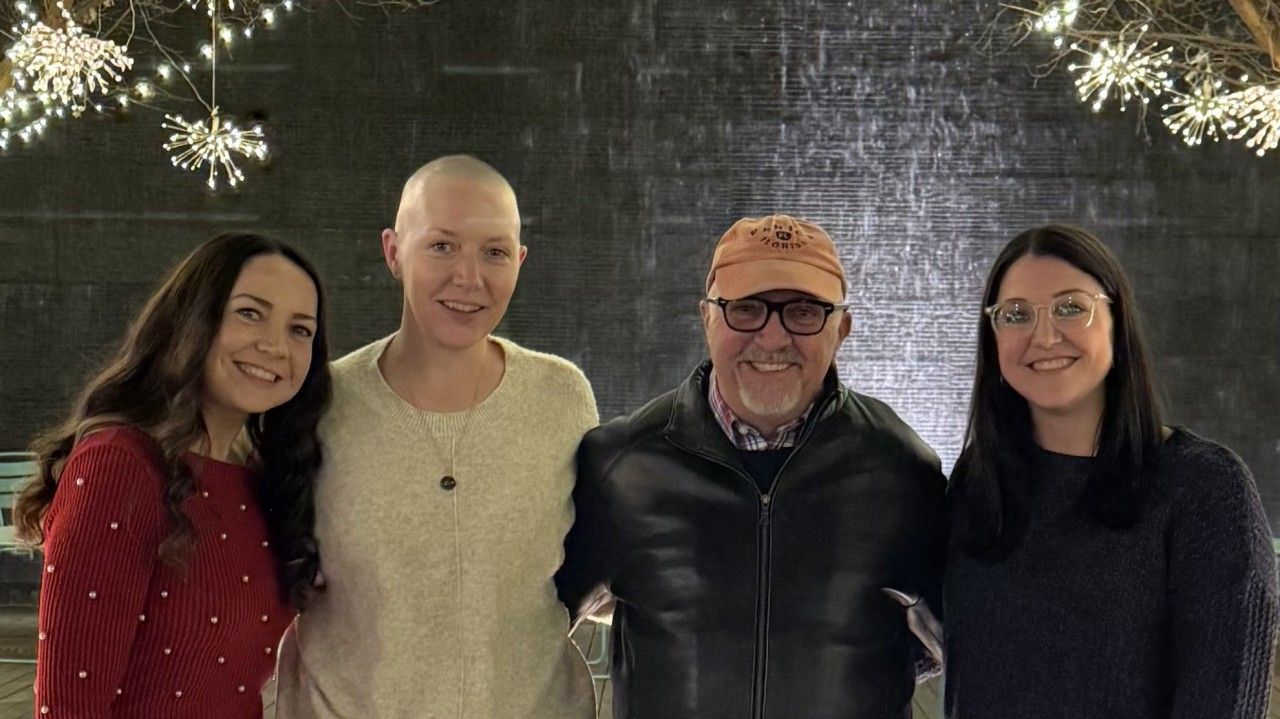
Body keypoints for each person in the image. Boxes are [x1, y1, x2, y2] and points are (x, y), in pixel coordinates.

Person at [556, 214, 948, 718]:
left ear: (842, 328)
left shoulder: (901, 471)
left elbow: (976, 660)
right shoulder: (622, 467)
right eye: (746, 309)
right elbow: (523, 639)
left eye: (804, 312)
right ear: (707, 318)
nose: (773, 337)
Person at [274, 155, 599, 718]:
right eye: (442, 246)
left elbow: (595, 562)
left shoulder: (562, 397)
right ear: (393, 251)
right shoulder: (318, 403)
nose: (468, 277)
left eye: (494, 252)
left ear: (520, 262)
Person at [945, 224, 1278, 718]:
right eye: (1016, 315)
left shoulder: (1205, 488)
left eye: (1070, 307)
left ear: (1117, 323)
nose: (1043, 336)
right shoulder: (979, 480)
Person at [14, 232, 331, 718]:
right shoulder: (120, 466)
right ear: (190, 320)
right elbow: (68, 705)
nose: (275, 345)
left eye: (300, 330)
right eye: (250, 313)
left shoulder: (264, 480)